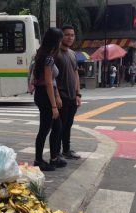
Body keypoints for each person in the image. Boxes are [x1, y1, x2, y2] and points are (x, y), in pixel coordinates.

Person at [33, 27, 66, 171]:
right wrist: (53, 106)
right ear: (55, 41)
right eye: (60, 40)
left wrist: (57, 96)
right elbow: (47, 82)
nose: (61, 43)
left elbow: (51, 81)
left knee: (56, 126)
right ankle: (38, 160)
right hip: (45, 95)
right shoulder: (48, 58)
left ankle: (53, 158)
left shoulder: (42, 54)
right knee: (45, 129)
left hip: (45, 93)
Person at [54, 24, 82, 160]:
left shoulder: (72, 53)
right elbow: (52, 78)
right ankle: (57, 153)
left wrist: (78, 94)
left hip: (72, 96)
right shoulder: (55, 53)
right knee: (59, 126)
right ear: (61, 36)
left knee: (68, 124)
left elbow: (76, 73)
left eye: (72, 35)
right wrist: (57, 96)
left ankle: (66, 150)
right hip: (61, 97)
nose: (70, 37)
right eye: (67, 35)